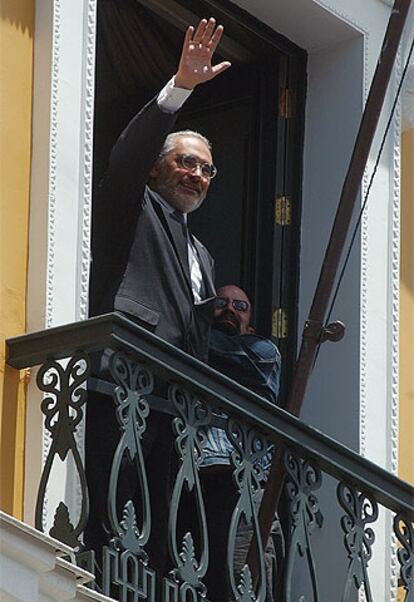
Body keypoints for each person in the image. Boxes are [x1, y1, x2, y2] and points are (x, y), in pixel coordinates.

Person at [85, 18, 231, 588]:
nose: (196, 174)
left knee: (161, 522)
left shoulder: (204, 254)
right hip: (123, 382)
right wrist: (178, 90)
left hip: (174, 410)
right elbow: (125, 157)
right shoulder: (134, 204)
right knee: (116, 504)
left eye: (205, 168)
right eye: (185, 162)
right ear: (157, 168)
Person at [200, 285, 283, 601]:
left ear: (251, 324)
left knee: (243, 578)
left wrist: (189, 328)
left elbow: (226, 355)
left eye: (240, 306)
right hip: (201, 478)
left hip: (246, 487)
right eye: (220, 302)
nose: (229, 310)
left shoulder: (264, 352)